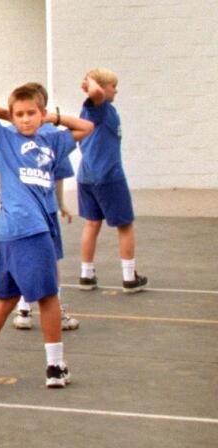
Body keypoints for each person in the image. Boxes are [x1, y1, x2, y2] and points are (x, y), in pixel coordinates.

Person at [0, 85, 93, 389]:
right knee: (48, 298)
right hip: (25, 229)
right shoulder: (5, 138)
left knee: (7, 297)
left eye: (31, 113)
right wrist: (7, 114)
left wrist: (53, 118)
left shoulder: (52, 140)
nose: (25, 119)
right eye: (19, 114)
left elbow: (86, 127)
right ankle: (55, 367)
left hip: (17, 231)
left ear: (42, 113)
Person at [77, 68, 147, 293]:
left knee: (92, 223)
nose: (116, 90)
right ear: (101, 87)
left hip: (87, 176)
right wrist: (90, 79)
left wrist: (92, 83)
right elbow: (96, 92)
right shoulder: (99, 108)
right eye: (112, 86)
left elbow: (97, 92)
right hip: (108, 176)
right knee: (125, 225)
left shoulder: (94, 110)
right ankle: (129, 277)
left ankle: (87, 274)